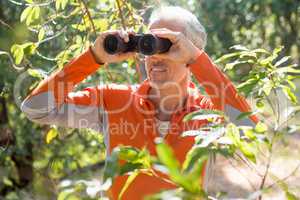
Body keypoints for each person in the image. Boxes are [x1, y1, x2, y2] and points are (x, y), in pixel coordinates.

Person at [20, 6, 258, 199]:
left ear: (191, 53)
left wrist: (198, 60)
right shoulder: (113, 101)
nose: (155, 56)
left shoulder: (209, 112)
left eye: (167, 44)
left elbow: (251, 129)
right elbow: (35, 109)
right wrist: (92, 58)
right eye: (149, 43)